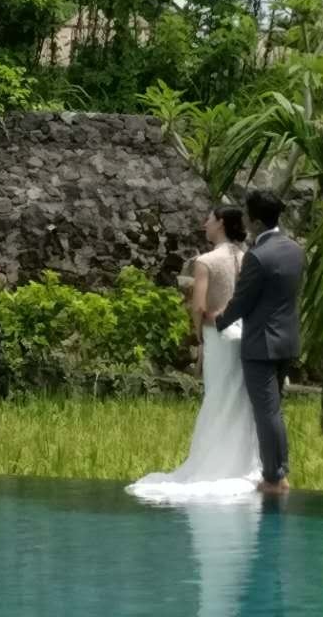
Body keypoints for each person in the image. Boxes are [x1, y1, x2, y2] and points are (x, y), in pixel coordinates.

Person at [127, 205, 261, 500]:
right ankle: (240, 462)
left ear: (220, 223)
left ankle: (213, 462)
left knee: (216, 396)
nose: (204, 224)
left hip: (218, 334)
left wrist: (200, 335)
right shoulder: (246, 258)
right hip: (244, 335)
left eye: (209, 219)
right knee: (239, 399)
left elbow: (199, 306)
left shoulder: (206, 261)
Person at [208, 189, 303, 495]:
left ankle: (274, 477)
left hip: (261, 344)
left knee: (267, 412)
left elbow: (242, 301)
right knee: (275, 411)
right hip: (287, 340)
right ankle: (280, 471)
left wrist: (219, 320)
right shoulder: (295, 250)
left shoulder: (258, 256)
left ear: (255, 219)